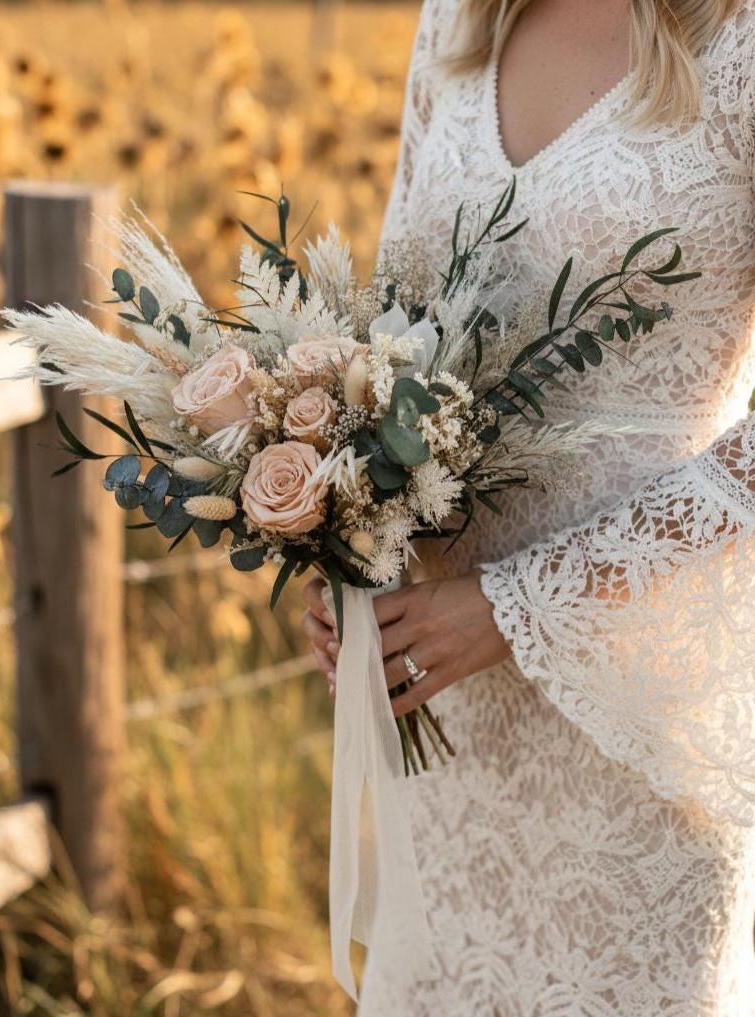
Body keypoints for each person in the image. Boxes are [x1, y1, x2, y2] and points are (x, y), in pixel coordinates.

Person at [301, 0, 755, 1012]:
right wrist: (346, 546)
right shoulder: (456, 22)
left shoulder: (740, 44)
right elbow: (390, 344)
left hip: (641, 717)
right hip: (451, 717)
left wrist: (521, 606)